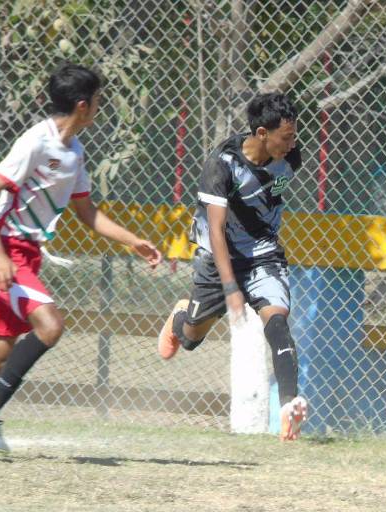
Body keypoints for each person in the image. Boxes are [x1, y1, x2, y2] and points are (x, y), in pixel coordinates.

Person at [0, 62, 162, 454]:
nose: (101, 107)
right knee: (51, 325)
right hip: (2, 250)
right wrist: (2, 257)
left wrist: (132, 240)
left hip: (26, 255)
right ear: (83, 105)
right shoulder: (36, 142)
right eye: (99, 101)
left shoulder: (74, 150)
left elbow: (87, 212)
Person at [158, 92, 307, 441]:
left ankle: (289, 406)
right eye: (285, 137)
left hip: (263, 255)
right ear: (260, 133)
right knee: (192, 337)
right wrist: (230, 289)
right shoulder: (222, 164)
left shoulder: (289, 158)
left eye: (294, 135)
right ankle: (182, 317)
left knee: (278, 321)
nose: (292, 144)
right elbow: (216, 230)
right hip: (219, 255)